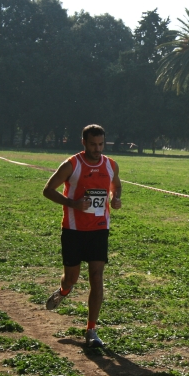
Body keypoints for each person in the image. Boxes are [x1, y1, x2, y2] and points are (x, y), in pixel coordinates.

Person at [42, 124, 122, 348]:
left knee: (96, 278)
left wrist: (116, 199)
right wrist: (72, 203)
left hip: (99, 229)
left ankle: (91, 330)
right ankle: (63, 290)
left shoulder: (111, 164)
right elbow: (47, 190)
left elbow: (117, 186)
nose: (97, 149)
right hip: (74, 230)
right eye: (93, 144)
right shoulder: (72, 164)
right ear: (84, 143)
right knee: (72, 278)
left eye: (101, 144)